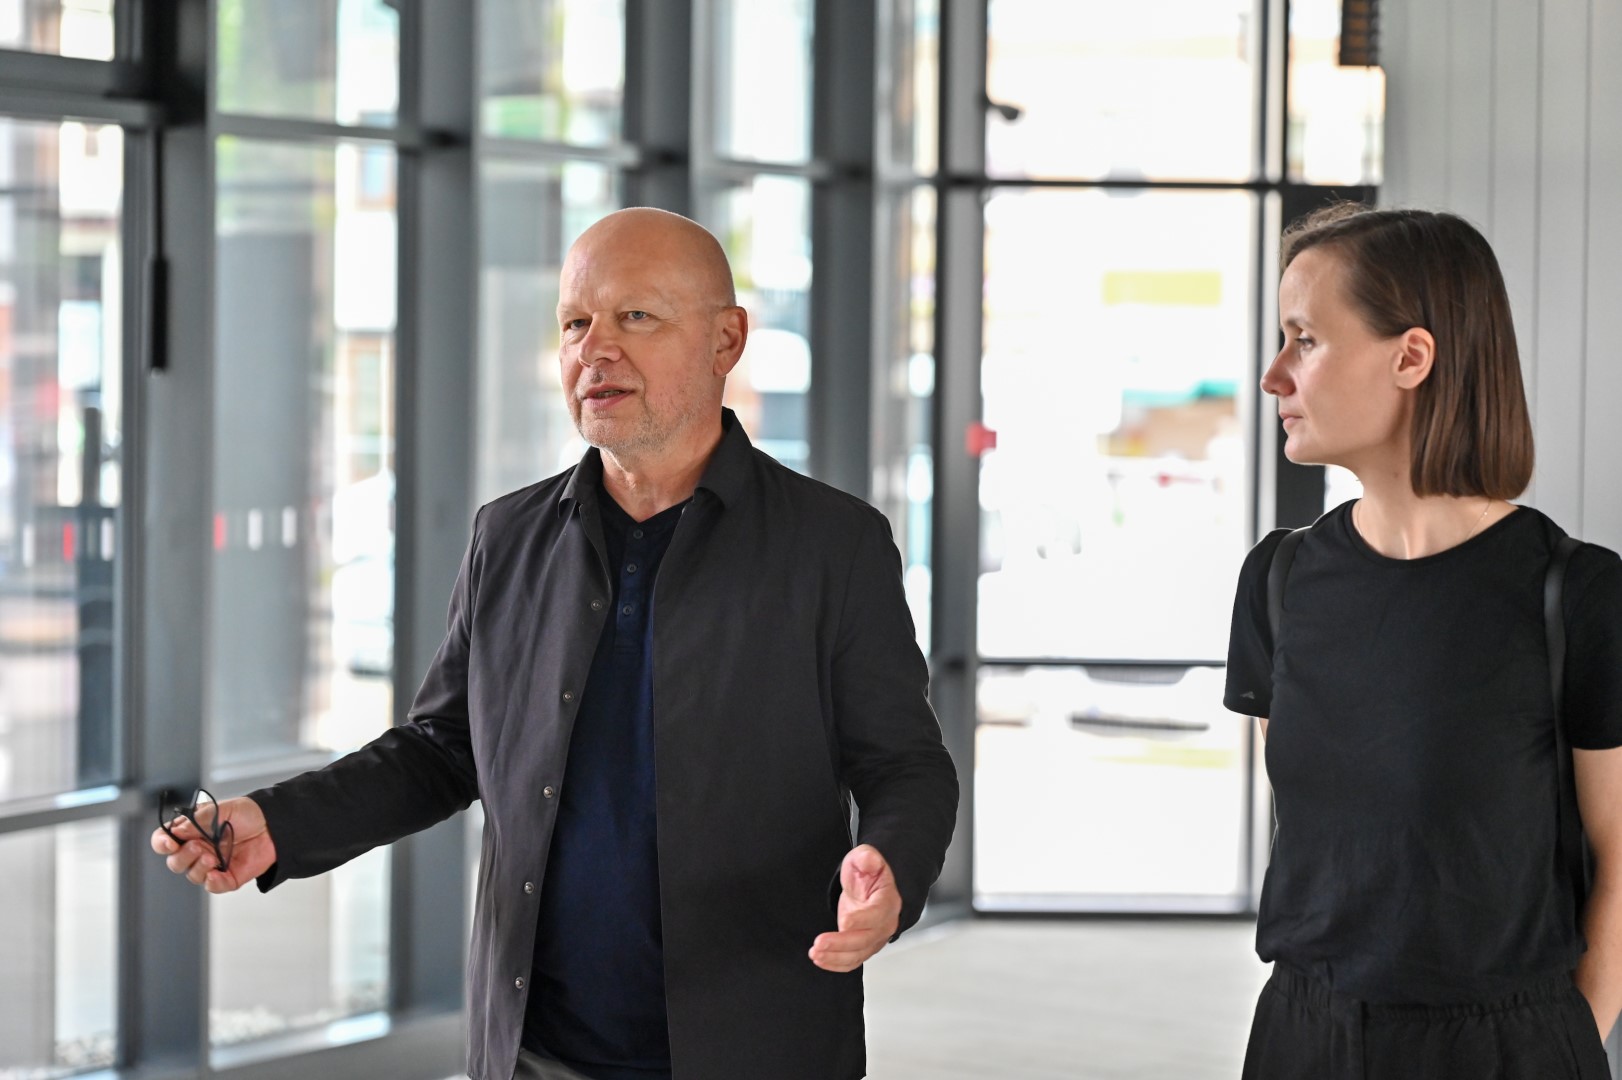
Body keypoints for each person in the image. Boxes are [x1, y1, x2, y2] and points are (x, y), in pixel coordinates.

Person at [152, 207, 959, 1080]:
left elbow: (905, 765)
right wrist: (280, 823)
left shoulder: (832, 545)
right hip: (534, 1051)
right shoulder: (508, 537)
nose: (594, 349)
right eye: (575, 323)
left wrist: (892, 868)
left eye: (635, 317)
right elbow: (442, 749)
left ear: (726, 340)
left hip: (755, 1041)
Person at [1225, 203, 1622, 1079]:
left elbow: (1621, 861)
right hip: (1301, 1035)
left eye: (1304, 340)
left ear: (1411, 357)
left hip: (1505, 1046)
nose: (1274, 375)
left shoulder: (1578, 594)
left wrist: (1560, 1047)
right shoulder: (1278, 582)